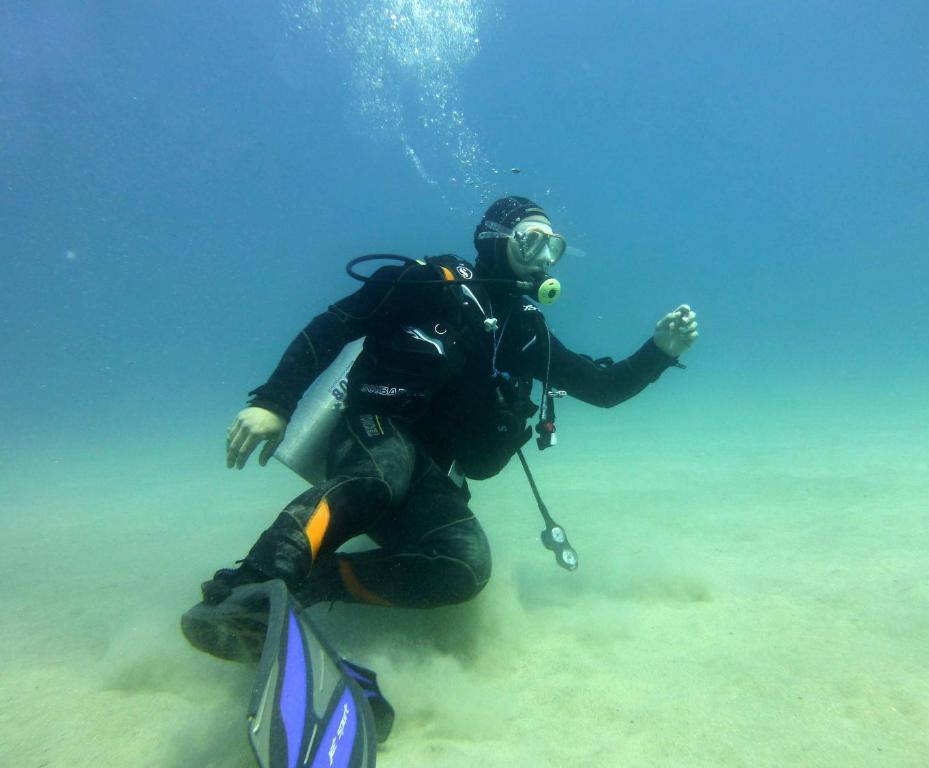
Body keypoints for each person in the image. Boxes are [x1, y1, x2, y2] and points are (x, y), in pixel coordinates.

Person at [187, 196, 698, 658]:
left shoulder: (524, 330)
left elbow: (600, 388)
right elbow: (335, 325)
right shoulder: (429, 282)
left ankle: (312, 584)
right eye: (532, 242)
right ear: (494, 242)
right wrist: (274, 403)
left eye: (554, 247)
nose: (544, 259)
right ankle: (248, 588)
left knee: (465, 567)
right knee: (382, 472)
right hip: (373, 432)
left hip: (431, 473)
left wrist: (659, 354)